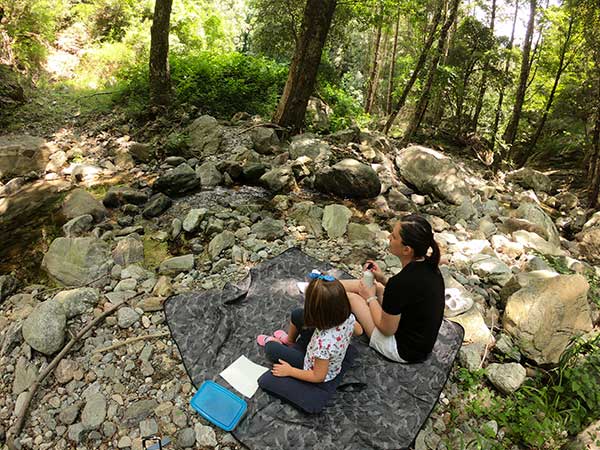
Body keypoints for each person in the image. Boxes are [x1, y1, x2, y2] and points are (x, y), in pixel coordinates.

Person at [342, 214, 445, 363]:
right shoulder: (430, 266)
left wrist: (370, 298)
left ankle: (322, 293)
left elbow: (386, 329)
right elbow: (406, 292)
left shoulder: (401, 283)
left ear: (407, 250)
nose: (389, 237)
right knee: (373, 285)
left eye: (394, 236)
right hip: (418, 339)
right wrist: (382, 279)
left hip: (402, 349)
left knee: (355, 298)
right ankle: (323, 285)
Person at [257, 273, 363, 383]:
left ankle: (275, 342)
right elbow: (359, 331)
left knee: (271, 348)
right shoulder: (348, 317)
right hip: (320, 344)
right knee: (297, 314)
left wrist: (290, 371)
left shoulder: (324, 344)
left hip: (311, 366)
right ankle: (289, 341)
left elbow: (318, 376)